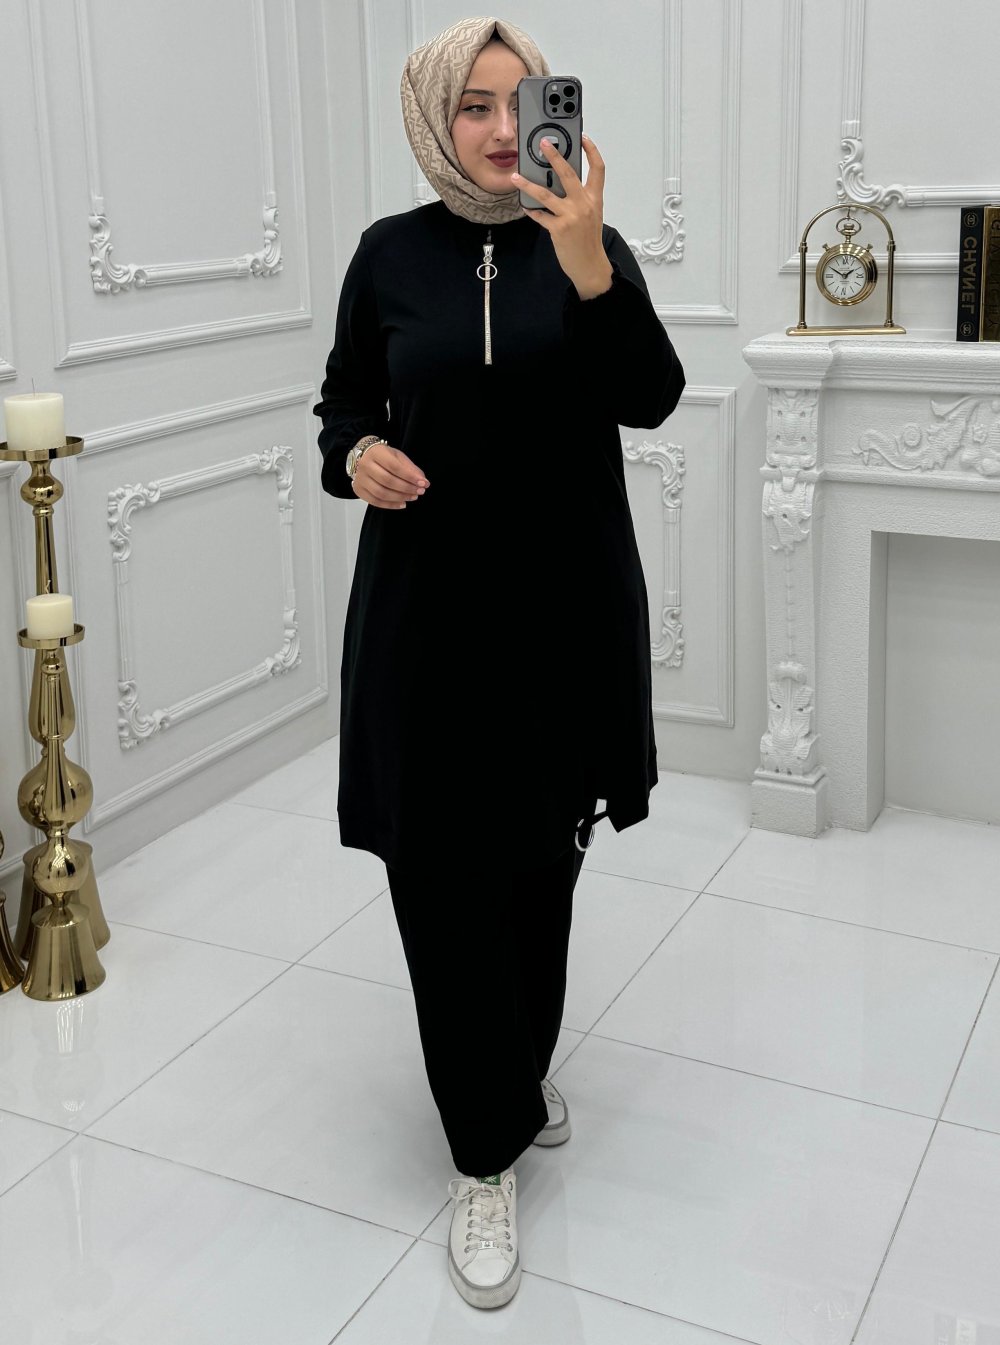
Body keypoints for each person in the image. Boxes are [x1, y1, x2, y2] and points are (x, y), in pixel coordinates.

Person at [313, 15, 684, 1311]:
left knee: (540, 872)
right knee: (439, 884)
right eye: (471, 103)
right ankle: (483, 1154)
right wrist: (355, 453)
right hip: (424, 626)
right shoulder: (387, 255)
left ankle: (514, 1077)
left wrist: (587, 264)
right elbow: (345, 403)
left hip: (561, 622)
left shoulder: (587, 244)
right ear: (434, 117)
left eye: (517, 101)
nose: (495, 126)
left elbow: (651, 396)